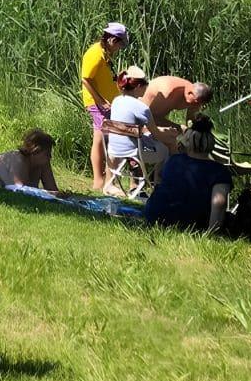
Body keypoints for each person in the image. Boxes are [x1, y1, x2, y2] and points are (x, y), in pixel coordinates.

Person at [142, 118, 233, 232]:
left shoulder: (173, 160)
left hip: (155, 216)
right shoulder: (220, 171)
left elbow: (159, 180)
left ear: (187, 143)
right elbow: (219, 203)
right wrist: (212, 232)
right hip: (190, 223)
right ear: (211, 143)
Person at [102, 68, 175, 196]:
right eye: (146, 84)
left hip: (114, 150)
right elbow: (157, 134)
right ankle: (159, 185)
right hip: (134, 152)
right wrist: (170, 133)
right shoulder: (142, 107)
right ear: (138, 87)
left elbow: (128, 127)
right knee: (167, 147)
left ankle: (132, 185)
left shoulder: (117, 101)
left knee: (154, 139)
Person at [80, 22, 130, 191]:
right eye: (120, 44)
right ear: (112, 40)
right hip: (96, 104)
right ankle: (99, 181)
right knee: (100, 138)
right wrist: (100, 100)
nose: (119, 48)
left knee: (101, 137)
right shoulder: (95, 54)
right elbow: (85, 79)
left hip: (107, 103)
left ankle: (103, 180)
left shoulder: (104, 54)